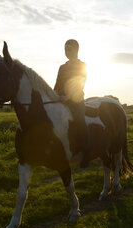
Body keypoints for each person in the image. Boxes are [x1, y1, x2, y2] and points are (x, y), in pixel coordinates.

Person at [54, 39, 90, 167]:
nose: (67, 52)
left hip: (76, 100)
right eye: (65, 49)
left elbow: (80, 83)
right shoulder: (62, 67)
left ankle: (86, 152)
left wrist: (68, 96)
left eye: (69, 49)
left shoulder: (82, 65)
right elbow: (57, 85)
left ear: (76, 50)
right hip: (61, 99)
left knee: (79, 121)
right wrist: (54, 96)